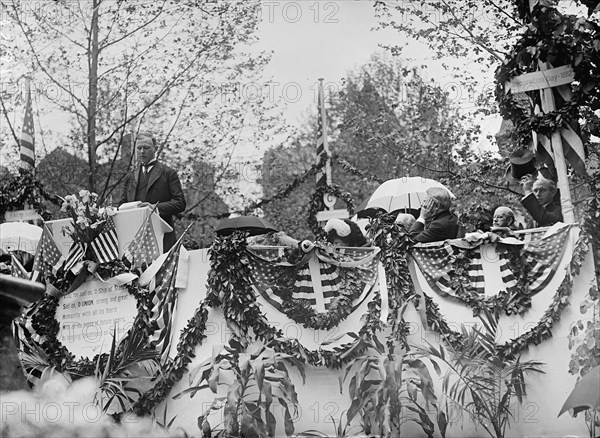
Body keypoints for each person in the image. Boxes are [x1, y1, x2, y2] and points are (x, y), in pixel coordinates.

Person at [119, 132, 186, 252]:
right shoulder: (130, 177)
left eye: (146, 148)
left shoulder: (168, 173)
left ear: (155, 149)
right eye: (139, 148)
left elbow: (180, 203)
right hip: (134, 237)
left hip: (160, 235)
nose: (142, 151)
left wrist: (154, 208)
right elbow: (121, 205)